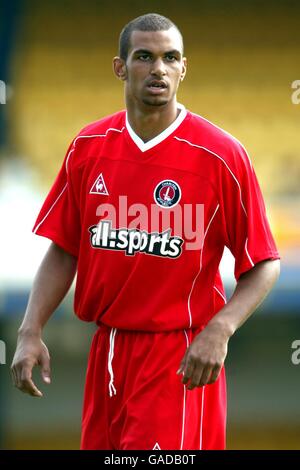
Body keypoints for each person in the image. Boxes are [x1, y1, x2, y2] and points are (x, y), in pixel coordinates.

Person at [11, 13, 280, 450]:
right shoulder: (88, 147)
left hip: (179, 358)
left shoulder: (221, 156)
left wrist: (220, 330)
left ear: (183, 68)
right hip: (106, 352)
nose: (159, 68)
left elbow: (264, 262)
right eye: (145, 57)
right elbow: (64, 249)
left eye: (170, 58)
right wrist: (30, 331)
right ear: (120, 67)